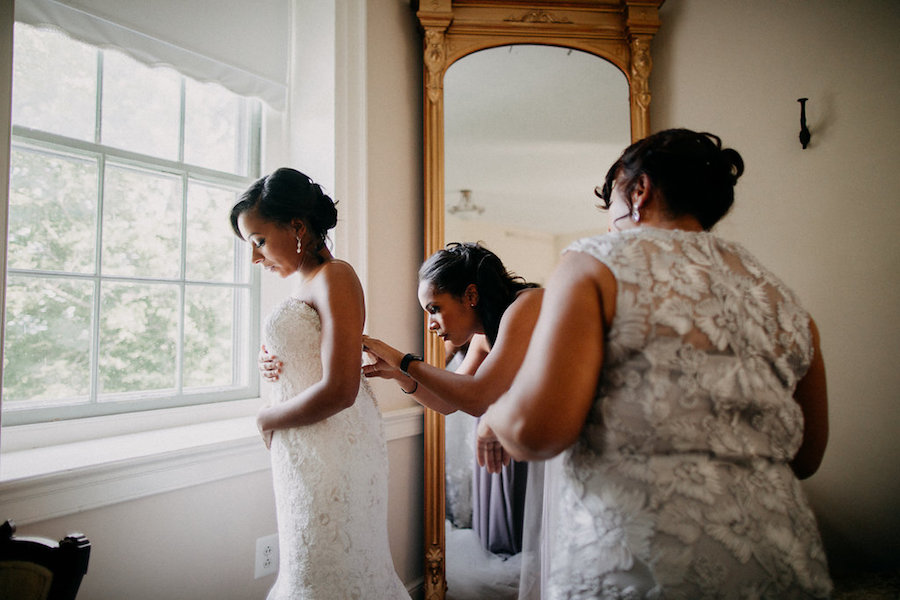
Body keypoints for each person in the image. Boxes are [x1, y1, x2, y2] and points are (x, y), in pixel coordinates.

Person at [477, 129, 833, 598]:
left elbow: (537, 431)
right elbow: (807, 457)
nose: (609, 226)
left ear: (639, 190)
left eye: (612, 206)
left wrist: (493, 419)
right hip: (780, 560)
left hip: (645, 562)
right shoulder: (781, 297)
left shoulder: (594, 262)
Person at [230, 168, 407, 599]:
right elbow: (310, 351)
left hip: (332, 444)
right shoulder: (306, 283)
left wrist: (266, 416)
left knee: (328, 562)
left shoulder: (336, 276)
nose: (254, 258)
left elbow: (341, 389)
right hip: (306, 444)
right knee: (307, 559)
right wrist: (273, 361)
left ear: (296, 226)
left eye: (257, 240)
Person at [361, 242, 541, 558]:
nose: (430, 324)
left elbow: (478, 397)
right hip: (525, 441)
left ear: (471, 295)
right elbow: (452, 401)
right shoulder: (485, 335)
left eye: (435, 308)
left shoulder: (526, 306)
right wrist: (399, 375)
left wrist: (404, 360)